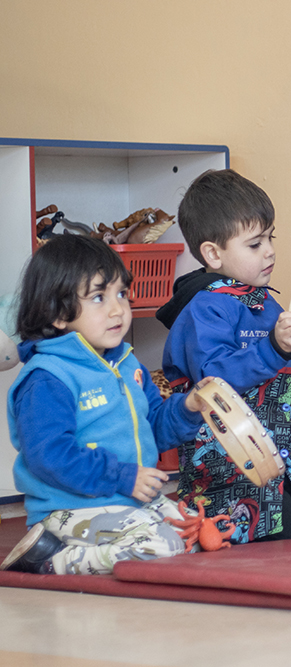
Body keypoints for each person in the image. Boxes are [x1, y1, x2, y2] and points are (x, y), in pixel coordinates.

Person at [157, 169, 291, 543]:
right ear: (213, 253)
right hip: (224, 469)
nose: (270, 251)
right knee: (290, 536)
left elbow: (290, 367)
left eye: (270, 238)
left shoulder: (265, 301)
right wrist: (272, 347)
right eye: (254, 244)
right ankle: (206, 523)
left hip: (279, 461)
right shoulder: (205, 309)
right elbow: (214, 381)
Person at [0, 235, 210, 575]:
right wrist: (123, 477)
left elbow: (154, 427)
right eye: (99, 297)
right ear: (57, 314)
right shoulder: (48, 379)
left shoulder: (127, 364)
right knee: (164, 545)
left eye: (121, 294)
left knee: (191, 533)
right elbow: (50, 456)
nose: (117, 309)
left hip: (121, 498)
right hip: (69, 509)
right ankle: (49, 559)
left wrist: (188, 408)